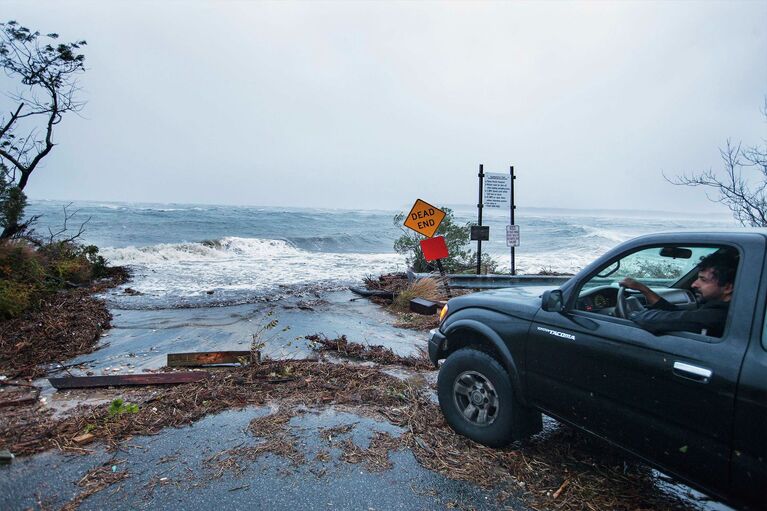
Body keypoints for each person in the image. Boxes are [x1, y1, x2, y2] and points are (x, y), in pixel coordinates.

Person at [619, 250, 738, 337]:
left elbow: (656, 320)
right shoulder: (728, 309)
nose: (694, 284)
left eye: (703, 280)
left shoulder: (718, 316)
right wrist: (644, 289)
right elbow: (678, 315)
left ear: (727, 287)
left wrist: (632, 315)